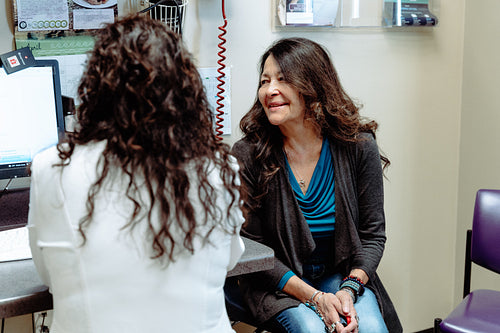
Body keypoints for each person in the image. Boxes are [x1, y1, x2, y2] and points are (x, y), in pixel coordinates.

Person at [28, 14, 244, 333]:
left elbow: (48, 275)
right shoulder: (219, 169)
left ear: (96, 90)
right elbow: (228, 262)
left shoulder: (52, 167)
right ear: (183, 93)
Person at [231, 37, 402, 333]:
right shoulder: (249, 154)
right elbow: (250, 249)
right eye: (264, 81)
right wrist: (315, 298)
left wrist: (348, 291)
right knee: (312, 329)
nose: (269, 91)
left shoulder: (358, 146)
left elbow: (373, 236)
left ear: (314, 85)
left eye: (283, 80)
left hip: (341, 277)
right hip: (277, 284)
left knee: (372, 328)